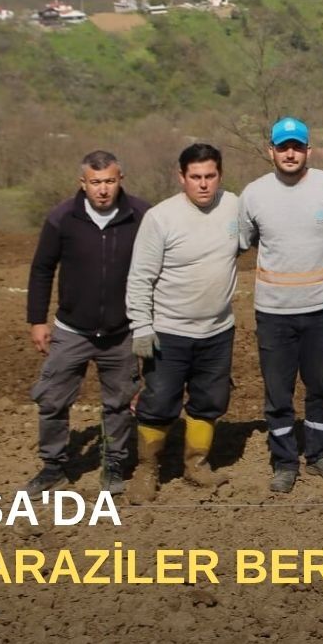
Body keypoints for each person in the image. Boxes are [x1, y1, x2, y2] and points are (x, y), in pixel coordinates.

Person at [23, 150, 151, 495]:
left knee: (119, 403)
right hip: (71, 330)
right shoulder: (62, 217)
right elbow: (42, 268)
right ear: (83, 183)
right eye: (95, 182)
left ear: (120, 180)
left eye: (109, 181)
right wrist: (37, 320)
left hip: (121, 331)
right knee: (52, 400)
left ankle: (113, 465)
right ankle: (53, 467)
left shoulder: (142, 215)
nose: (103, 189)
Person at [238, 117, 323, 494]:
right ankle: (285, 461)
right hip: (273, 312)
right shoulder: (253, 194)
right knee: (278, 392)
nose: (290, 153)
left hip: (322, 308)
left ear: (308, 150)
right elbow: (242, 239)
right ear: (271, 150)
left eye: (297, 147)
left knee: (321, 387)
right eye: (283, 147)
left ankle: (319, 454)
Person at [125, 143, 244, 503]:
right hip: (169, 331)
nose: (203, 184)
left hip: (218, 330)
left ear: (220, 175)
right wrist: (141, 326)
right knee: (159, 402)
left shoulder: (234, 206)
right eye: (195, 177)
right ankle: (147, 469)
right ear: (181, 177)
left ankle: (196, 464)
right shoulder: (160, 218)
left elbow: (248, 241)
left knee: (210, 400)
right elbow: (140, 276)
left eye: (210, 176)